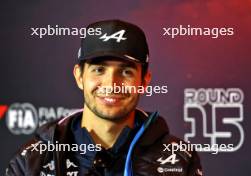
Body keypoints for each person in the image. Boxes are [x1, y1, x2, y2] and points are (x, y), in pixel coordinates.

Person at [6, 19, 203, 176]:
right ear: (79, 76)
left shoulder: (177, 158)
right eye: (99, 70)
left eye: (126, 72)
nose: (111, 84)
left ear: (144, 81)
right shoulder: (33, 160)